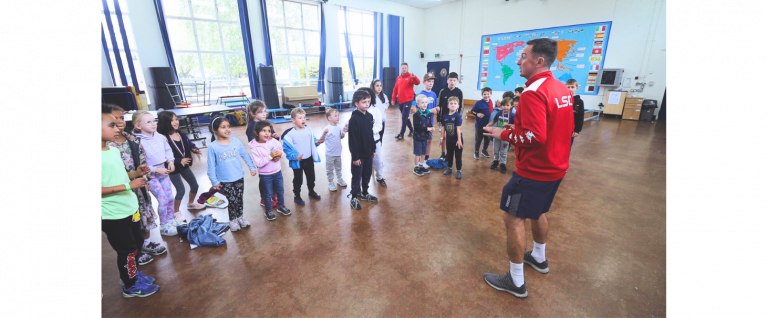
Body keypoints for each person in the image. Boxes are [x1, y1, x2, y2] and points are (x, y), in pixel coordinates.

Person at [482, 38, 574, 298]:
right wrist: (517, 128)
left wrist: (503, 134)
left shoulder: (533, 92)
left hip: (534, 171)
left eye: (523, 56)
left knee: (513, 218)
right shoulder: (561, 88)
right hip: (556, 167)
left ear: (539, 61)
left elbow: (535, 137)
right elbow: (555, 127)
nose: (518, 61)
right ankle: (539, 258)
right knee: (538, 211)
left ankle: (516, 281)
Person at [101, 104, 160, 298]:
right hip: (113, 214)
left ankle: (132, 276)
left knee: (136, 245)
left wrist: (135, 173)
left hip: (130, 208)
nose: (117, 128)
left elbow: (120, 176)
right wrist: (129, 186)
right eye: (111, 125)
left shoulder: (112, 150)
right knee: (126, 250)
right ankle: (130, 285)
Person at [105, 105, 166, 257]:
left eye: (121, 118)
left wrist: (141, 174)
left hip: (138, 186)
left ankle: (145, 244)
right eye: (113, 121)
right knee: (130, 226)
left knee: (144, 214)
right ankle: (136, 253)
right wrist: (129, 184)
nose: (119, 122)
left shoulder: (131, 139)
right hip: (121, 194)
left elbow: (141, 159)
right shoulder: (108, 146)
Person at [206, 116, 258, 232]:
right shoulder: (213, 147)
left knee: (239, 198)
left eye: (228, 126)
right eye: (223, 127)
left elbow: (245, 155)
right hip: (225, 179)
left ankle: (240, 217)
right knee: (232, 200)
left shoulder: (236, 141)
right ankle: (232, 220)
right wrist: (214, 181)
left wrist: (251, 167)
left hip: (238, 176)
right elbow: (211, 166)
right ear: (214, 130)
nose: (227, 129)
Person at [132, 111, 180, 236]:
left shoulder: (160, 137)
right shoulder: (138, 141)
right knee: (163, 200)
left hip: (164, 173)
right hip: (151, 176)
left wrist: (170, 161)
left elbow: (168, 150)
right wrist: (156, 169)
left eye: (154, 121)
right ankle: (164, 225)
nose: (153, 124)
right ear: (138, 126)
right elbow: (140, 163)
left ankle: (171, 220)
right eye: (148, 122)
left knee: (170, 198)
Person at [157, 111, 206, 219]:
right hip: (173, 168)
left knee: (194, 185)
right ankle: (176, 212)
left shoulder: (181, 134)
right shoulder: (163, 138)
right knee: (181, 190)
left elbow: (189, 144)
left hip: (184, 165)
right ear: (165, 122)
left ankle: (191, 203)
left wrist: (194, 148)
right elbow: (164, 156)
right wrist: (179, 161)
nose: (176, 122)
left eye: (176, 119)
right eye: (172, 120)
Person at [249, 120, 291, 221]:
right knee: (268, 194)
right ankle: (268, 211)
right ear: (256, 133)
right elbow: (259, 163)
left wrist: (279, 155)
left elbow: (281, 150)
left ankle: (281, 206)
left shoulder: (273, 141)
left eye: (269, 131)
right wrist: (270, 157)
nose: (267, 133)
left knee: (280, 191)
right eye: (264, 131)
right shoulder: (254, 146)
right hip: (265, 175)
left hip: (277, 172)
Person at [282, 108, 323, 205]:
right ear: (293, 120)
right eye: (300, 118)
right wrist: (295, 156)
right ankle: (297, 196)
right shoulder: (290, 134)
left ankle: (311, 191)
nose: (303, 119)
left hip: (309, 159)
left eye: (304, 117)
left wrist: (317, 142)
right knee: (298, 179)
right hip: (298, 161)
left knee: (311, 177)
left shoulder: (309, 130)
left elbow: (312, 141)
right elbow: (286, 149)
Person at [346, 90, 378, 210]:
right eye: (364, 102)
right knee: (357, 176)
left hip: (368, 152)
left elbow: (370, 135)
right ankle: (354, 197)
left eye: (368, 101)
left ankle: (365, 193)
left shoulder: (369, 116)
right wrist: (355, 157)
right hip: (358, 155)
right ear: (356, 104)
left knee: (367, 174)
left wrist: (373, 149)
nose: (367, 104)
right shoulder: (354, 119)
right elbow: (353, 140)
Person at [246, 100, 280, 208]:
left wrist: (275, 137)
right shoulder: (252, 126)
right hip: (262, 157)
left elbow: (272, 139)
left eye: (265, 111)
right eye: (260, 112)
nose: (264, 114)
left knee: (274, 176)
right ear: (253, 114)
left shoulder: (266, 123)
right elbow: (253, 143)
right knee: (265, 180)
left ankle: (273, 194)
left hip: (271, 155)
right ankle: (264, 199)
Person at [437, 72, 464, 160]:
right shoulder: (443, 91)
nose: (452, 82)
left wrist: (459, 117)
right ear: (447, 81)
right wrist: (438, 118)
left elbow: (461, 106)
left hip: (454, 119)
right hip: (444, 118)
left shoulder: (459, 92)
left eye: (454, 80)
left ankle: (449, 154)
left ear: (457, 81)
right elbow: (439, 105)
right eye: (451, 80)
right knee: (444, 136)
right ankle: (443, 153)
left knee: (452, 136)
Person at [392, 62, 421, 140]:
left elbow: (418, 83)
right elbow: (395, 89)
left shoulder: (411, 77)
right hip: (400, 101)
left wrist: (414, 77)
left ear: (407, 68)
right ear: (401, 69)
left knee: (404, 117)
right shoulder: (398, 78)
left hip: (408, 100)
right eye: (402, 68)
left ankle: (401, 134)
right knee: (406, 117)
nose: (404, 69)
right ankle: (412, 130)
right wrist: (393, 99)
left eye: (405, 68)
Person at [486, 97, 515, 174]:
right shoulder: (499, 113)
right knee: (495, 149)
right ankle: (496, 161)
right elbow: (494, 120)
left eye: (507, 105)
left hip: (505, 136)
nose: (505, 107)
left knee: (503, 151)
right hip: (497, 134)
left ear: (511, 106)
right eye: (503, 105)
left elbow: (514, 125)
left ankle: (503, 164)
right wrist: (488, 124)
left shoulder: (512, 115)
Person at [369, 80, 389, 187]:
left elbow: (386, 105)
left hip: (381, 122)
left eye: (380, 86)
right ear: (373, 87)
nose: (379, 87)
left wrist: (382, 115)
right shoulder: (371, 98)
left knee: (379, 141)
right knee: (371, 142)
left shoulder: (383, 97)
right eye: (377, 86)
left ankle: (377, 157)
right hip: (373, 123)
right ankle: (372, 161)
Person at [418, 72, 440, 166]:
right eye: (429, 81)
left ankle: (426, 159)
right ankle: (420, 160)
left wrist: (436, 109)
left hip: (430, 122)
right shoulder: (420, 95)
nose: (431, 83)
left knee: (429, 141)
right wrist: (431, 110)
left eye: (432, 81)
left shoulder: (434, 94)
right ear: (424, 82)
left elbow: (434, 108)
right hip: (422, 123)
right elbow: (418, 111)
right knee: (423, 142)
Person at [412, 94, 437, 176]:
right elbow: (416, 127)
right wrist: (427, 129)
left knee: (423, 152)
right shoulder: (416, 115)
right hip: (418, 137)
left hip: (425, 137)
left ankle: (421, 165)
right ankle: (416, 167)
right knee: (418, 153)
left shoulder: (428, 113)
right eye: (422, 102)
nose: (425, 104)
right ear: (418, 104)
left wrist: (431, 127)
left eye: (426, 102)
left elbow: (429, 123)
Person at [322, 108, 346, 192]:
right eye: (335, 116)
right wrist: (324, 134)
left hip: (338, 152)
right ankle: (330, 182)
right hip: (330, 154)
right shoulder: (327, 129)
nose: (338, 117)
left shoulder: (339, 127)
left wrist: (343, 134)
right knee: (329, 169)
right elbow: (322, 139)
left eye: (338, 115)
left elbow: (341, 136)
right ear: (329, 118)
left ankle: (339, 179)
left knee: (338, 167)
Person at [441, 97, 464, 179]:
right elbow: (443, 127)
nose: (453, 105)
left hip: (457, 140)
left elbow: (458, 129)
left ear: (458, 106)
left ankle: (458, 170)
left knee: (458, 156)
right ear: (448, 106)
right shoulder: (445, 116)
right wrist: (441, 138)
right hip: (449, 140)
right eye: (451, 103)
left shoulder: (458, 116)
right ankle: (449, 168)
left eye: (455, 104)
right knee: (449, 155)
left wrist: (459, 140)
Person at [471, 87, 493, 159]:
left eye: (488, 94)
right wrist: (477, 114)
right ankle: (476, 152)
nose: (486, 96)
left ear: (491, 94)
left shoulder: (492, 102)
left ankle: (484, 150)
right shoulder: (478, 103)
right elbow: (472, 111)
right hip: (480, 125)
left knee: (487, 138)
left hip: (489, 125)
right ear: (482, 95)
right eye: (484, 94)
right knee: (478, 139)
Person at [566, 79, 585, 147]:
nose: (570, 89)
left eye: (572, 87)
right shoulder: (562, 99)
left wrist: (577, 130)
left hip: (571, 129)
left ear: (576, 88)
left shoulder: (579, 102)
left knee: (568, 146)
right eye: (568, 87)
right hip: (561, 128)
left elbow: (580, 116)